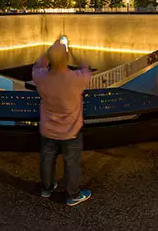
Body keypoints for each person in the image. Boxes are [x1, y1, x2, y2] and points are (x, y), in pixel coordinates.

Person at [31, 37, 93, 207]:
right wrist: (71, 51)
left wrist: (51, 50)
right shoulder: (76, 78)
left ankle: (46, 188)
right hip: (71, 131)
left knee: (47, 160)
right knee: (71, 163)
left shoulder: (41, 76)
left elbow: (37, 64)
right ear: (67, 59)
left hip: (48, 130)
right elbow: (86, 67)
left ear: (50, 59)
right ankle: (73, 194)